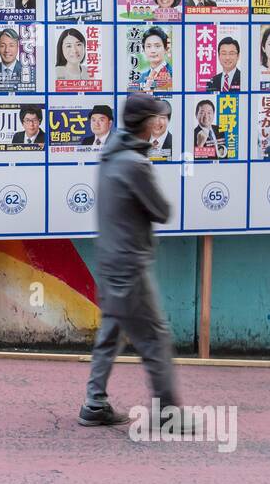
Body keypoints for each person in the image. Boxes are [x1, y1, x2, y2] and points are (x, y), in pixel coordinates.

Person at [78, 92, 188, 431]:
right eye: (155, 118)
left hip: (110, 261)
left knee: (111, 332)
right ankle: (169, 414)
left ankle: (94, 403)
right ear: (146, 125)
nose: (159, 123)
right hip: (131, 265)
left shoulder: (110, 156)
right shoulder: (135, 164)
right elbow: (162, 210)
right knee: (155, 337)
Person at [134, 26, 173, 93]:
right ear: (144, 50)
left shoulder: (173, 75)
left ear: (166, 49)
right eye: (148, 46)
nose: (153, 51)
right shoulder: (140, 78)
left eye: (157, 46)